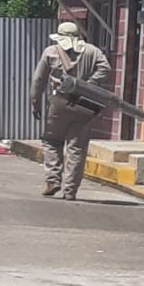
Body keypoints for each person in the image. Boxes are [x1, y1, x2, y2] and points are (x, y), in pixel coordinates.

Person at [29, 22, 111, 200]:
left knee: (52, 141)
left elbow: (38, 79)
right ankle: (70, 190)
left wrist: (35, 102)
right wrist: (90, 84)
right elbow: (105, 68)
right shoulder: (93, 51)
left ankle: (53, 180)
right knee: (77, 148)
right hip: (85, 105)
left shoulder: (51, 52)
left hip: (60, 103)